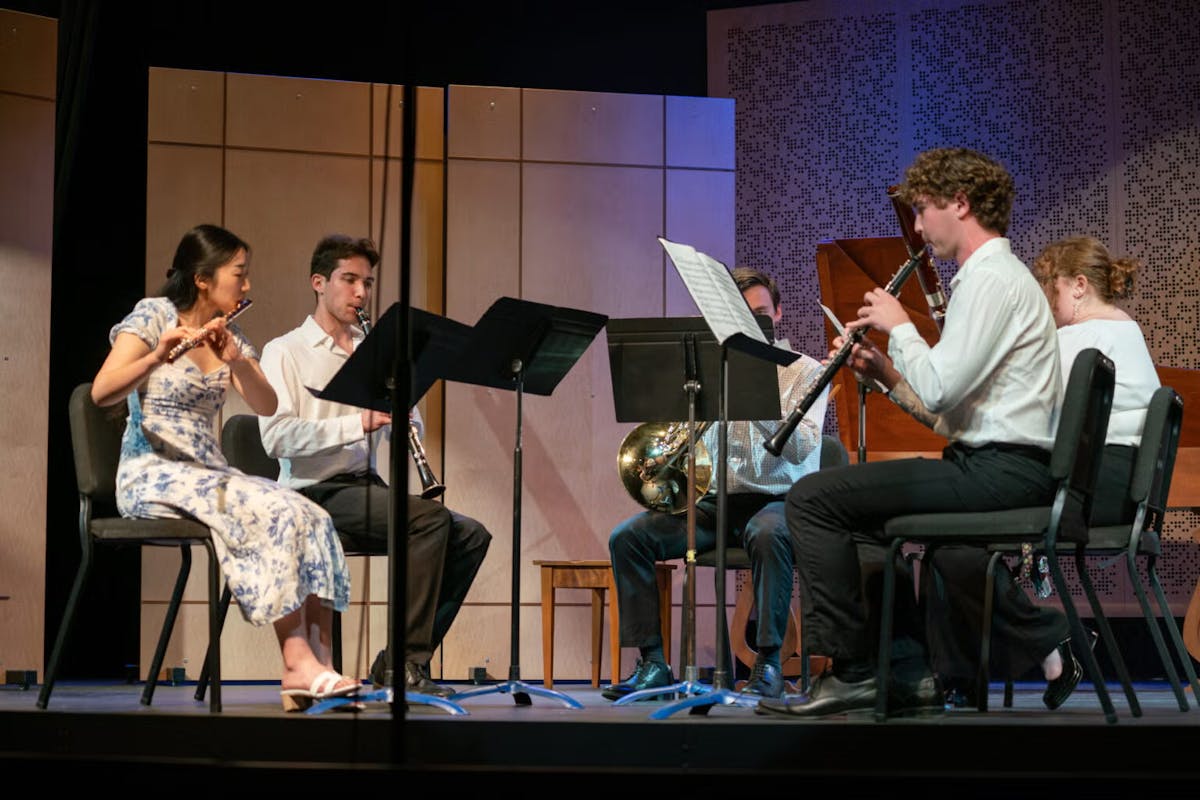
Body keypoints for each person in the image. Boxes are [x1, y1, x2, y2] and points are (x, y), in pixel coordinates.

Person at [757, 147, 1062, 719]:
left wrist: (901, 328)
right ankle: (906, 671)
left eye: (923, 210)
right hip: (991, 462)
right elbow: (953, 414)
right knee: (855, 510)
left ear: (961, 203)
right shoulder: (991, 277)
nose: (917, 226)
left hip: (1005, 472)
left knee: (812, 499)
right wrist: (889, 377)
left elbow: (943, 389)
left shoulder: (992, 279)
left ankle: (852, 672)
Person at [91, 224, 357, 712]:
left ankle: (319, 666)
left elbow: (265, 403)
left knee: (309, 513)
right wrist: (155, 357)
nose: (247, 285)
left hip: (208, 472)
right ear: (202, 279)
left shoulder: (229, 332)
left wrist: (237, 361)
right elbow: (102, 391)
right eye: (240, 273)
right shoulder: (154, 317)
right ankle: (295, 659)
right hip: (153, 471)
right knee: (264, 509)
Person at [926, 235, 1159, 709]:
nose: (1047, 307)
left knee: (947, 541)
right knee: (951, 547)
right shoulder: (1125, 332)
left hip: (1084, 490)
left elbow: (1017, 406)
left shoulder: (1079, 338)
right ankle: (1038, 652)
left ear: (1076, 285)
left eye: (1048, 292)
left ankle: (1031, 647)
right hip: (1115, 489)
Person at [258, 233, 491, 699]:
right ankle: (409, 666)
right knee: (430, 519)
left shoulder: (374, 349)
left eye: (367, 282)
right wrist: (357, 422)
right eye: (349, 280)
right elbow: (276, 438)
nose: (361, 293)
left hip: (364, 488)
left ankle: (395, 661)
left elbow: (408, 422)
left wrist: (405, 418)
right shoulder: (285, 350)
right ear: (318, 282)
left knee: (471, 535)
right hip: (311, 490)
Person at [602, 267, 829, 701]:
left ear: (778, 314)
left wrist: (752, 391)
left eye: (761, 314)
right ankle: (653, 663)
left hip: (778, 501)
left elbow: (801, 449)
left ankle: (767, 664)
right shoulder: (710, 368)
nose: (752, 325)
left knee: (767, 533)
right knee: (627, 538)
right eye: (743, 316)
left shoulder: (806, 372)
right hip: (713, 504)